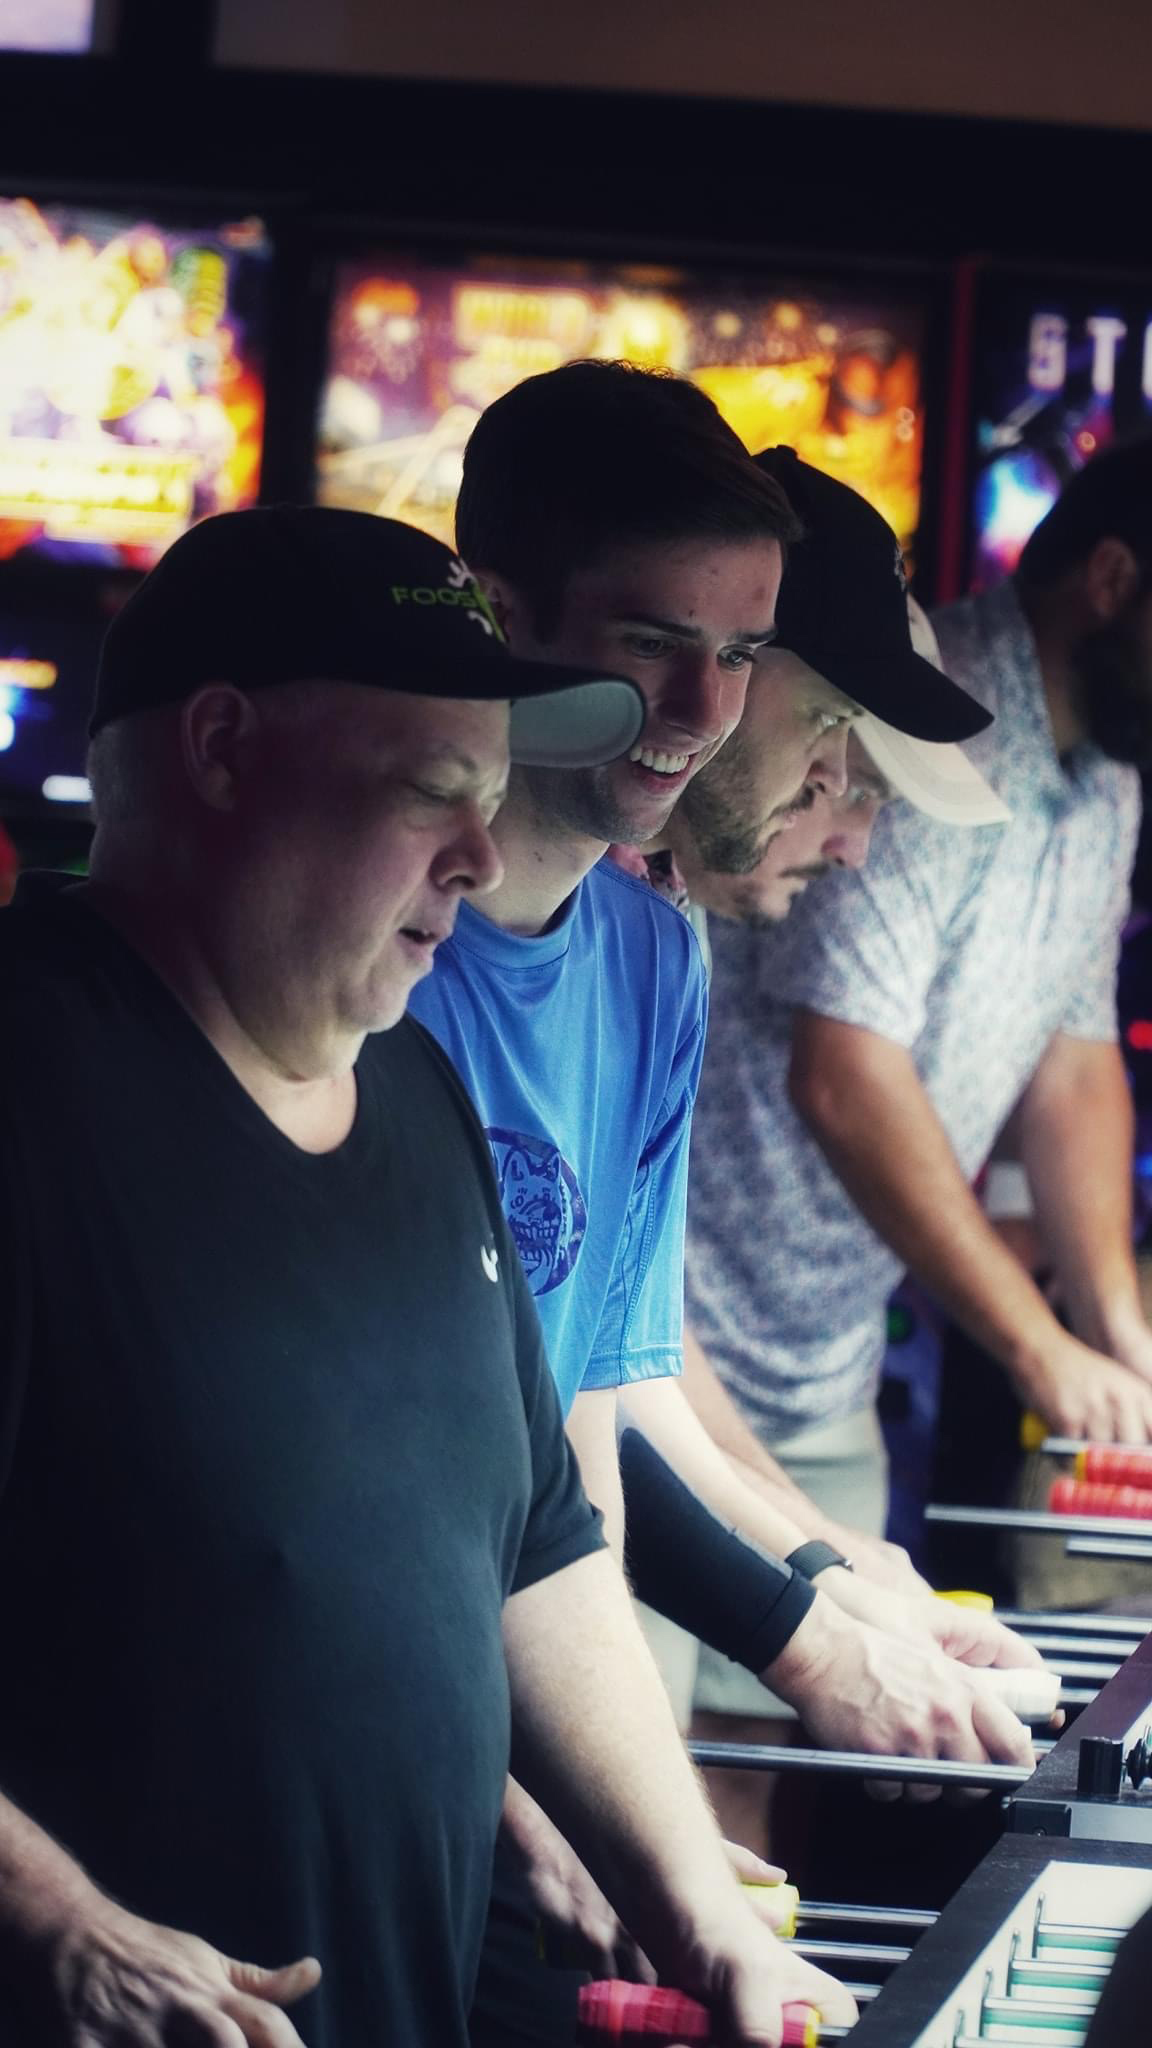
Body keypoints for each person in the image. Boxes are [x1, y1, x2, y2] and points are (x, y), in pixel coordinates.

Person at [0, 506, 854, 2048]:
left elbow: (541, 1540)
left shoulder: (416, 1091)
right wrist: (62, 1928)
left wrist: (702, 1918)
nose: (478, 853)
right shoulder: (28, 1080)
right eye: (429, 795)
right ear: (220, 750)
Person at [405, 364, 1037, 2031]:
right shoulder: (377, 955)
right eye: (646, 644)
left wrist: (835, 1589)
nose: (696, 705)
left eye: (741, 656)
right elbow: (376, 1473)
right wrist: (804, 1635)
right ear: (505, 617)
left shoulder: (646, 948)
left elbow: (602, 1412)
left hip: (494, 1712)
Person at [682, 439, 1152, 1734]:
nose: (848, 826)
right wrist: (1037, 1346)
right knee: (661, 1798)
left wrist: (1117, 1335)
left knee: (767, 1793)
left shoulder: (1107, 768)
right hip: (689, 1332)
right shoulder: (930, 698)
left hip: (811, 1360)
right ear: (1113, 579)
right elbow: (847, 1073)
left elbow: (1075, 1056)